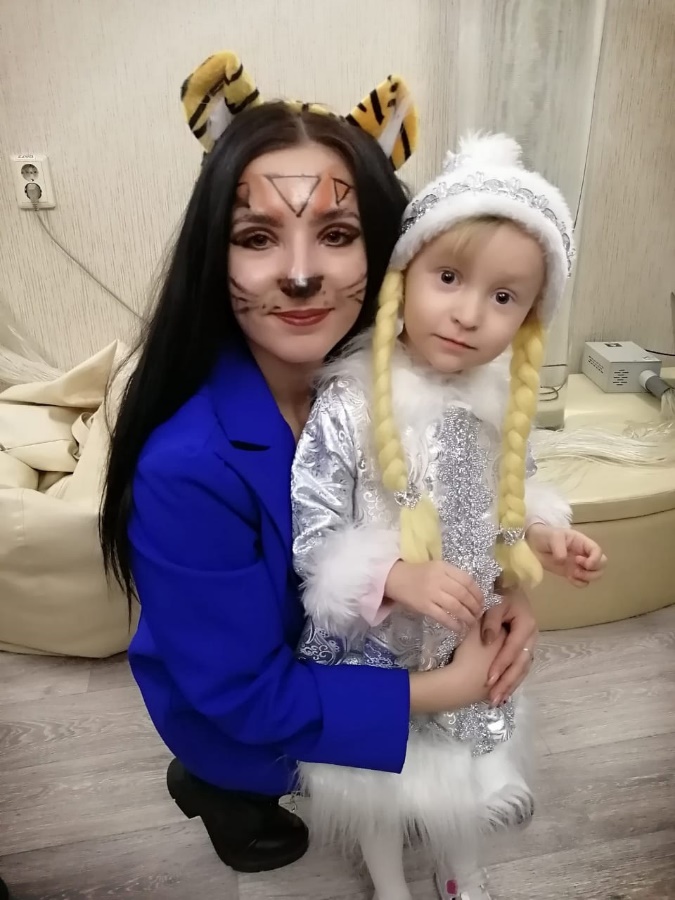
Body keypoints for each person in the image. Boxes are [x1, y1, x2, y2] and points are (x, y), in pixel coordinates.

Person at [99, 51, 541, 876]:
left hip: (377, 657)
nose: (301, 274)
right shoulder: (186, 468)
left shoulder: (420, 388)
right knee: (254, 759)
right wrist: (443, 693)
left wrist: (508, 599)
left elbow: (479, 509)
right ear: (214, 257)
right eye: (256, 237)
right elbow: (244, 694)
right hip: (251, 711)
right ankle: (214, 785)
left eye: (336, 235)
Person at [292, 133, 606, 900]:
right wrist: (395, 576)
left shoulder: (498, 409)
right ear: (404, 277)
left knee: (456, 778)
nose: (468, 314)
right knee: (377, 784)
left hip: (465, 633)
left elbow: (512, 499)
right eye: (448, 277)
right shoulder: (348, 404)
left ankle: (457, 868)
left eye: (503, 298)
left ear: (528, 317)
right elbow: (314, 529)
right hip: (376, 648)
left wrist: (542, 538)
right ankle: (388, 881)